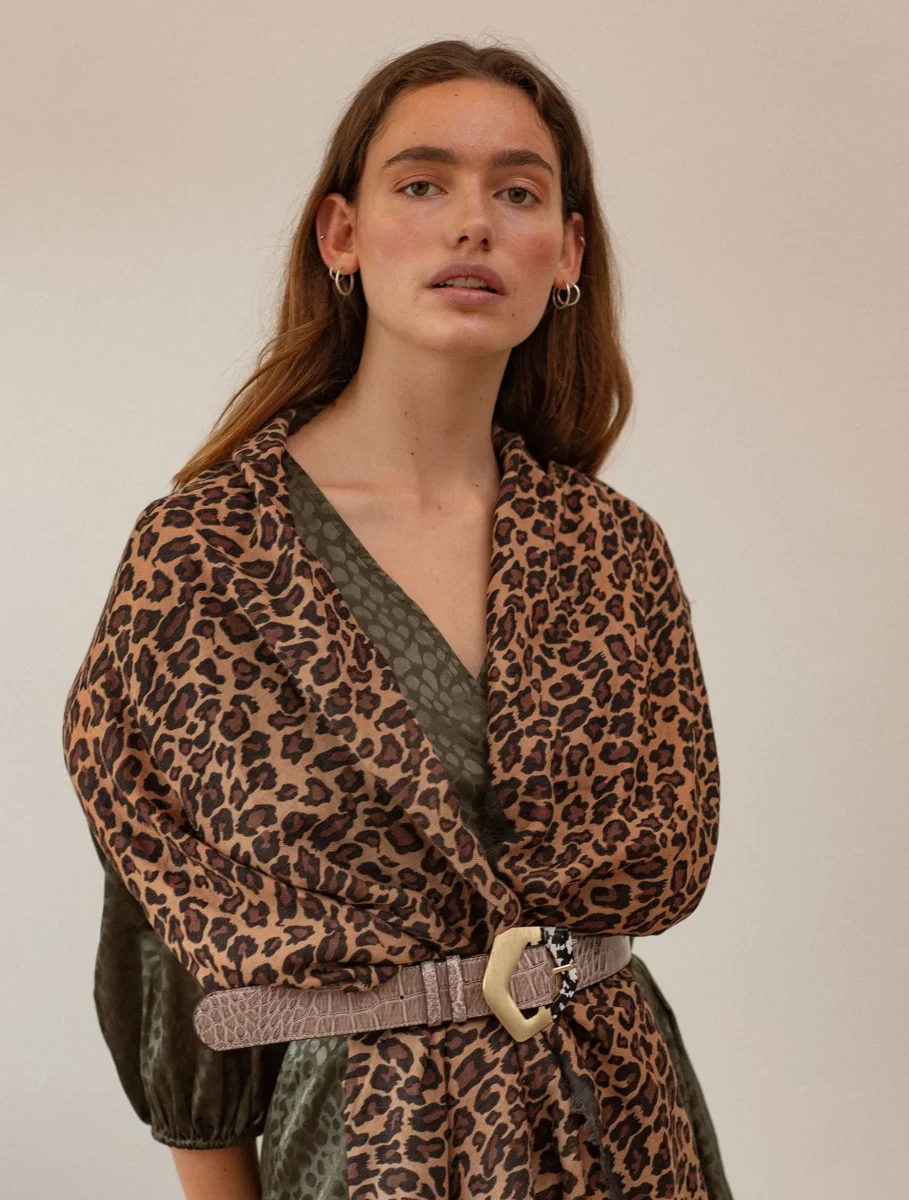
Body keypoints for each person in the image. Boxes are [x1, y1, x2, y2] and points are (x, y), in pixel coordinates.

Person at [63, 37, 734, 1200]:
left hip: (623, 1123)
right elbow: (165, 934)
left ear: (567, 252)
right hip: (370, 1147)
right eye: (423, 183)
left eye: (518, 193)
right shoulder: (208, 558)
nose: (472, 223)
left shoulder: (613, 553)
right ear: (342, 234)